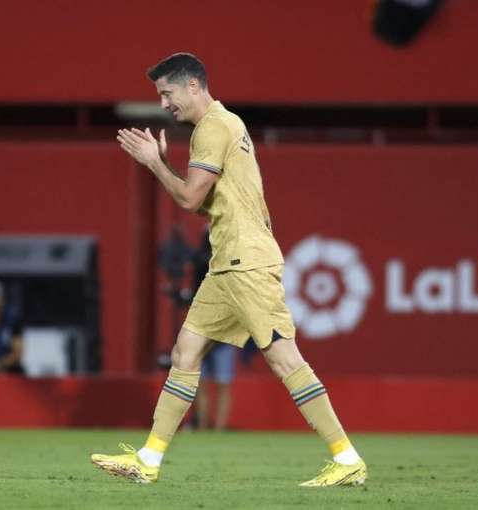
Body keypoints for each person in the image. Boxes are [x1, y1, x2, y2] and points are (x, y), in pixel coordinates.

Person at [92, 53, 366, 487]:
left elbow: (186, 200)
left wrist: (154, 164)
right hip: (227, 265)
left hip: (247, 263)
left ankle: (346, 456)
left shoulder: (213, 128)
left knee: (283, 358)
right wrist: (165, 167)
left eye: (167, 94)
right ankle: (148, 458)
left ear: (193, 87)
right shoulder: (224, 125)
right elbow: (203, 205)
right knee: (186, 351)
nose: (164, 104)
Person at [191, 227, 238, 431]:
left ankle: (210, 428)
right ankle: (212, 429)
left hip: (215, 328)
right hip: (214, 328)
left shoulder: (205, 262)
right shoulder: (227, 263)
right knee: (215, 383)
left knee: (214, 383)